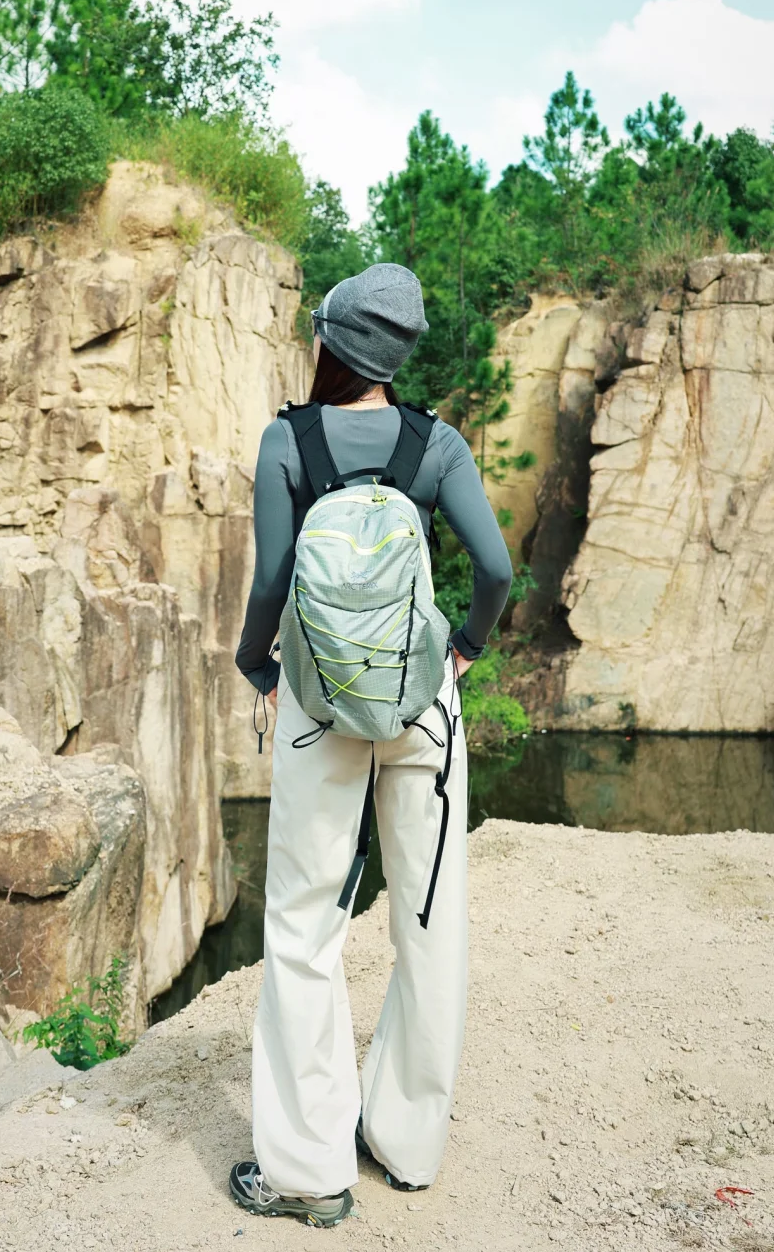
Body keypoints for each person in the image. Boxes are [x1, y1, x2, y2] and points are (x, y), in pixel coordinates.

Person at [229, 261, 513, 1228]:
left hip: (320, 710)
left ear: (333, 344)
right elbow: (495, 567)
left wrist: (256, 663)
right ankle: (405, 1141)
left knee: (304, 926)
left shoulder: (289, 440)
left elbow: (273, 580)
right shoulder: (436, 444)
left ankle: (309, 1170)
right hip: (421, 706)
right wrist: (463, 650)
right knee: (429, 921)